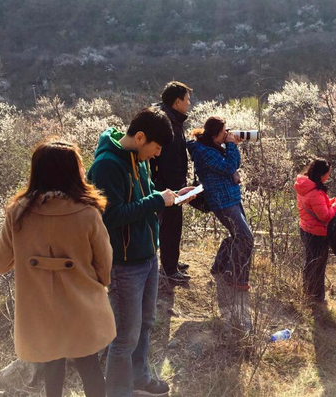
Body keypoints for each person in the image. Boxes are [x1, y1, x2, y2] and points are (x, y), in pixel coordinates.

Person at [0, 139, 116, 397]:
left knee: (51, 370)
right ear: (73, 172)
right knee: (90, 370)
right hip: (82, 308)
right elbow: (105, 267)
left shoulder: (18, 213)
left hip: (40, 311)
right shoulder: (89, 213)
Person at [88, 107, 194, 397]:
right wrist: (157, 201)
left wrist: (171, 198)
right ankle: (119, 391)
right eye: (156, 147)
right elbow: (112, 216)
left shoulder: (139, 158)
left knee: (145, 324)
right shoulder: (108, 166)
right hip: (124, 264)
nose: (157, 154)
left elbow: (146, 198)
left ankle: (139, 379)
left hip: (147, 256)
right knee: (124, 337)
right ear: (140, 137)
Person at [186, 116, 254, 291]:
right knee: (245, 238)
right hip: (221, 201)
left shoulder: (213, 146)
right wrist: (230, 145)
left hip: (231, 197)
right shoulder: (203, 151)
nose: (227, 134)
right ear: (215, 134)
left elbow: (233, 164)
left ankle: (220, 267)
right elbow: (228, 168)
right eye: (224, 132)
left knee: (239, 235)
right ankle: (236, 278)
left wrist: (233, 146)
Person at [152, 81, 193, 283]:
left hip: (168, 181)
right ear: (178, 101)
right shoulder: (167, 120)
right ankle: (169, 269)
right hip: (167, 183)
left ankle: (171, 262)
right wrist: (175, 189)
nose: (189, 103)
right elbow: (167, 158)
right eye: (187, 99)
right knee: (170, 224)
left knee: (171, 225)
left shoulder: (168, 117)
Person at [294, 159, 336, 304]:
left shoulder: (305, 185)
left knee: (310, 263)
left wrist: (333, 201)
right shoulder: (315, 192)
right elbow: (325, 216)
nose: (329, 176)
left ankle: (308, 293)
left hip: (306, 228)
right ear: (321, 174)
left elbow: (318, 206)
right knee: (317, 266)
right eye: (328, 173)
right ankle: (316, 298)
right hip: (316, 234)